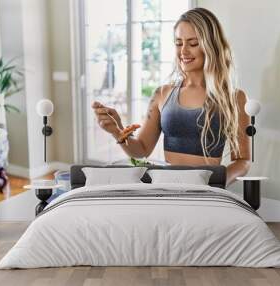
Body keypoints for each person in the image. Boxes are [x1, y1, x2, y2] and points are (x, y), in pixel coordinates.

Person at [92, 7, 251, 186]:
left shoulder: (234, 98)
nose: (183, 51)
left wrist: (215, 185)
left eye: (193, 43)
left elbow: (243, 161)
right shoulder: (162, 94)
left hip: (207, 190)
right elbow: (142, 149)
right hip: (166, 185)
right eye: (178, 43)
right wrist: (117, 131)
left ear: (211, 46)